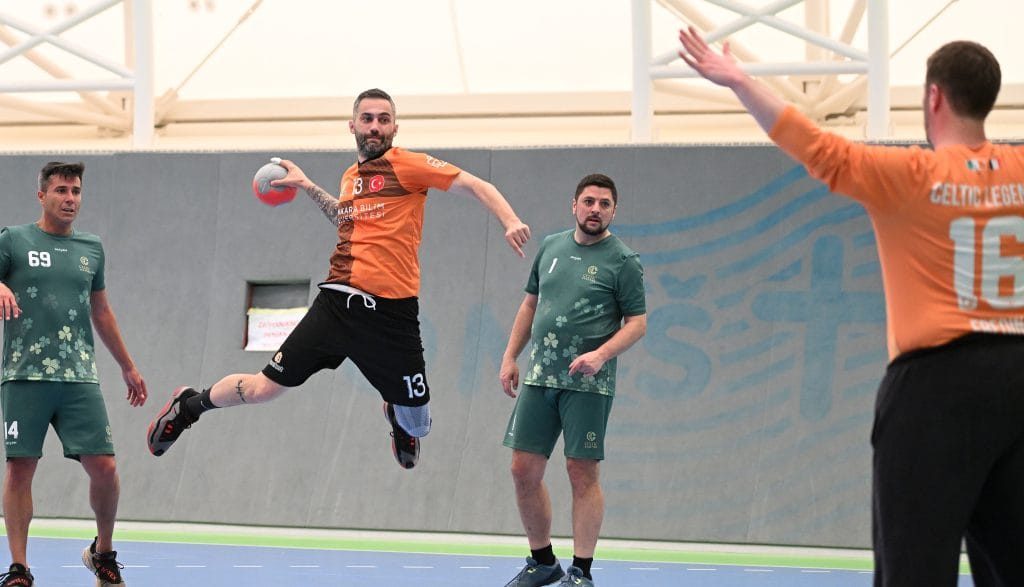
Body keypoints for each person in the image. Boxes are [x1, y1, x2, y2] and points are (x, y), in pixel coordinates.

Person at [678, 28, 1024, 586]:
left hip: (935, 386)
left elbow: (815, 145)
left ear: (934, 96)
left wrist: (740, 80)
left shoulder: (910, 176)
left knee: (914, 566)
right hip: (1017, 377)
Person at [147, 88, 531, 471]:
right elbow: (346, 220)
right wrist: (307, 185)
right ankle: (188, 406)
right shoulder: (351, 176)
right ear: (353, 126)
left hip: (392, 316)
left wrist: (510, 220)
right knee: (264, 388)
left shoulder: (408, 165)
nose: (375, 126)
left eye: (383, 119)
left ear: (395, 127)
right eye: (367, 119)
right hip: (337, 305)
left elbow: (477, 185)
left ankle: (397, 416)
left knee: (419, 424)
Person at [0, 161, 148, 587]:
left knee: (105, 466)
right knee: (20, 468)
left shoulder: (91, 248)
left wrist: (128, 365)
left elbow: (101, 311)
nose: (70, 199)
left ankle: (103, 553)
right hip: (25, 376)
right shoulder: (14, 240)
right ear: (42, 195)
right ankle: (19, 569)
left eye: (76, 191)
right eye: (61, 190)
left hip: (79, 377)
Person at [499, 173, 646, 587]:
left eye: (604, 203)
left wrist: (601, 355)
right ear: (574, 205)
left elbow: (637, 323)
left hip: (588, 385)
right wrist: (510, 356)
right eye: (589, 201)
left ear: (613, 211)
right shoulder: (551, 247)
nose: (595, 209)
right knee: (522, 469)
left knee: (581, 472)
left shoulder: (624, 261)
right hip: (539, 377)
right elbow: (530, 305)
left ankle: (581, 573)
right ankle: (543, 562)